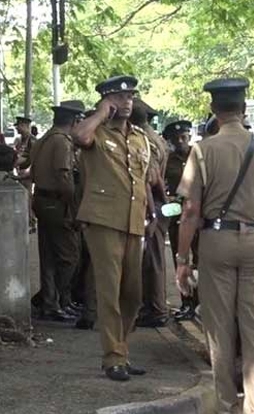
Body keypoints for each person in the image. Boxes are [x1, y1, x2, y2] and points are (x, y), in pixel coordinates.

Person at [175, 77, 254, 414]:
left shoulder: (203, 150)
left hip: (216, 242)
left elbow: (191, 210)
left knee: (219, 331)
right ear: (243, 108)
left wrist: (181, 259)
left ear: (213, 111)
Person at [72, 75, 150, 382]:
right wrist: (101, 113)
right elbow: (79, 137)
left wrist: (153, 211)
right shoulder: (96, 130)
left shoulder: (139, 137)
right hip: (104, 220)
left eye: (130, 96)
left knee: (133, 294)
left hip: (134, 221)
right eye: (119, 98)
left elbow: (144, 177)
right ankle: (113, 357)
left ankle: (123, 351)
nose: (127, 101)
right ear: (106, 100)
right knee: (109, 291)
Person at [30, 100, 85, 322]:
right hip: (57, 202)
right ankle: (49, 299)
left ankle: (53, 303)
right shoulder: (62, 142)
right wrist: (73, 206)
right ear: (74, 121)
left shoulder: (44, 139)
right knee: (70, 255)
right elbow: (64, 178)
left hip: (42, 199)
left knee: (49, 256)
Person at [131, 99, 170, 328]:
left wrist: (153, 214)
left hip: (150, 203)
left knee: (152, 260)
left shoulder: (143, 141)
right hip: (156, 203)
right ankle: (153, 306)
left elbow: (149, 179)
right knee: (152, 258)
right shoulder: (156, 138)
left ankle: (156, 309)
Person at [164, 120, 200, 321]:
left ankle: (202, 302)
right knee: (181, 258)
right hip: (178, 215)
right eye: (176, 138)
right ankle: (187, 302)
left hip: (199, 215)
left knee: (201, 259)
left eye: (184, 137)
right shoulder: (168, 160)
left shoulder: (199, 155)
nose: (181, 141)